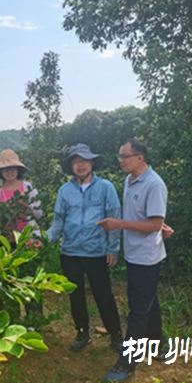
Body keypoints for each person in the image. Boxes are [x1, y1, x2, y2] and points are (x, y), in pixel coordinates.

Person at [97, 138, 170, 383]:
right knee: (149, 301)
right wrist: (158, 224)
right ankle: (159, 346)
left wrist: (120, 224)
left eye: (124, 156)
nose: (120, 161)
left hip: (147, 257)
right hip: (134, 253)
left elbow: (153, 223)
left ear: (140, 158)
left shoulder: (154, 184)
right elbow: (149, 217)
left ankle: (127, 363)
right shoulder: (130, 180)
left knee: (138, 310)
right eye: (119, 156)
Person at [46, 143, 124, 353]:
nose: (80, 165)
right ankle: (82, 333)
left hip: (97, 252)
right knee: (75, 295)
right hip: (70, 252)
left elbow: (114, 218)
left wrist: (112, 248)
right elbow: (58, 221)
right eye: (75, 161)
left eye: (84, 160)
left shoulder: (105, 187)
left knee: (103, 295)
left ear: (91, 163)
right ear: (71, 166)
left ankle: (115, 334)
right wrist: (44, 241)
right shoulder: (65, 190)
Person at [0, 149, 42, 244]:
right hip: (5, 241)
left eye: (12, 168)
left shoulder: (28, 188)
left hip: (28, 239)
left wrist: (27, 205)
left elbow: (39, 214)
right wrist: (3, 210)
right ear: (1, 171)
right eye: (5, 169)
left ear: (18, 169)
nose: (9, 172)